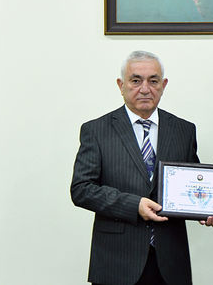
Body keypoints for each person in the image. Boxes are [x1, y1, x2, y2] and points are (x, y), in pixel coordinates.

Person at [71, 51, 204, 285]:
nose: (145, 89)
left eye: (153, 81)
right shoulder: (96, 130)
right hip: (116, 261)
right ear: (121, 85)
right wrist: (134, 205)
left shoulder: (184, 130)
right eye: (135, 80)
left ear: (163, 85)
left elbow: (191, 185)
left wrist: (211, 208)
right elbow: (81, 189)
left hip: (171, 263)